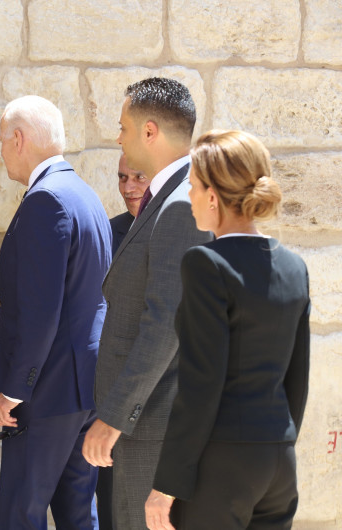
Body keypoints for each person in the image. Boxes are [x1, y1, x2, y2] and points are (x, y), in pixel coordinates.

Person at [144, 130, 310, 530]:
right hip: (278, 460)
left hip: (223, 465)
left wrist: (165, 485)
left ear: (214, 196)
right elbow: (297, 380)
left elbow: (201, 385)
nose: (190, 197)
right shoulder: (294, 267)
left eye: (194, 187)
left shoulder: (206, 264)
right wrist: (276, 443)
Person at [82, 77, 212, 530]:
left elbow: (166, 325)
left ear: (150, 131)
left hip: (153, 434)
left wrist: (114, 418)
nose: (118, 137)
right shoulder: (174, 196)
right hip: (145, 430)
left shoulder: (180, 205)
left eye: (123, 127)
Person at [0, 95, 111, 529]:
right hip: (82, 392)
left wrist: (15, 388)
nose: (1, 151)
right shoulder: (85, 195)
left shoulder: (46, 200)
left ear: (18, 139)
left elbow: (43, 312)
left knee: (20, 516)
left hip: (47, 392)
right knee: (79, 515)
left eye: (2, 141)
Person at [98, 153, 149, 529]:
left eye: (138, 177)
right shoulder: (106, 231)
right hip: (110, 393)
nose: (128, 187)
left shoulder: (178, 227)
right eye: (121, 177)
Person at [110, 153, 150, 255]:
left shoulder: (179, 229)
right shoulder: (109, 231)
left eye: (140, 177)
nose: (127, 189)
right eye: (122, 177)